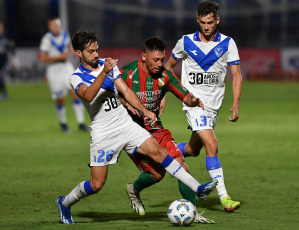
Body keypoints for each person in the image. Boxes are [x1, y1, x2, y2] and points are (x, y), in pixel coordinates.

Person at [54, 29, 218, 224]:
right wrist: (104, 72)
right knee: (96, 184)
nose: (97, 54)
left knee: (160, 154)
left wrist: (145, 111)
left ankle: (197, 187)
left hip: (126, 124)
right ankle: (65, 202)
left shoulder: (108, 64)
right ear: (79, 53)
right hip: (103, 133)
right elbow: (88, 95)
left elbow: (125, 90)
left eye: (97, 49)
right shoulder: (75, 77)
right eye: (91, 51)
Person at [120, 36, 215, 224]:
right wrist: (125, 103)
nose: (159, 64)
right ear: (144, 56)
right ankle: (134, 189)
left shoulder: (165, 76)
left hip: (157, 130)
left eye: (162, 60)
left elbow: (184, 95)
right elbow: (111, 94)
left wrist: (193, 100)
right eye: (155, 60)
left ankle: (193, 212)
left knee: (180, 163)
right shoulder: (128, 72)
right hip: (132, 132)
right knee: (157, 174)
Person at [165, 1, 242, 213]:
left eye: (210, 22)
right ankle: (224, 198)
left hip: (213, 107)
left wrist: (235, 104)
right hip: (193, 104)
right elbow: (168, 69)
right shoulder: (185, 42)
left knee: (193, 150)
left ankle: (159, 152)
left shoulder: (227, 44)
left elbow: (236, 76)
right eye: (202, 22)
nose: (206, 27)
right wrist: (168, 94)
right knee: (212, 145)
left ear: (217, 20)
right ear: (197, 20)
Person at [39, 16, 88, 132]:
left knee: (75, 92)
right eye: (53, 25)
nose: (56, 27)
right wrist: (59, 57)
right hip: (54, 70)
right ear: (49, 27)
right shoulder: (46, 39)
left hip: (66, 67)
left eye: (57, 24)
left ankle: (81, 123)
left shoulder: (65, 35)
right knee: (60, 98)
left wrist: (77, 54)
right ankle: (63, 123)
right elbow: (43, 58)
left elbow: (69, 49)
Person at [0, 21, 8, 100]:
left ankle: (5, 93)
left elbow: (9, 49)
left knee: (1, 78)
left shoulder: (4, 37)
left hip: (3, 61)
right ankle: (4, 93)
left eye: (1, 27)